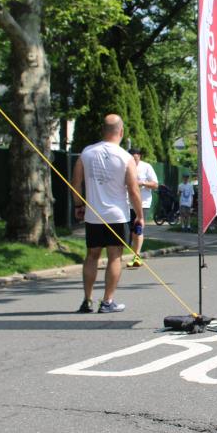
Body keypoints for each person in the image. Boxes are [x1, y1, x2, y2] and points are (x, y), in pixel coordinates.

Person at [70, 114, 142, 313]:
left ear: (103, 130)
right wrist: (139, 215)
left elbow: (75, 183)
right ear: (121, 131)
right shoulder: (125, 157)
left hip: (93, 214)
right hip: (117, 215)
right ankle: (107, 301)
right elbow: (133, 189)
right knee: (115, 256)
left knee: (92, 255)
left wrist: (78, 205)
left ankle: (87, 300)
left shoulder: (86, 153)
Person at [126, 147, 158, 268]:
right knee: (128, 232)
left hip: (143, 203)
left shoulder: (146, 167)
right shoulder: (125, 166)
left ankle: (137, 256)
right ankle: (131, 252)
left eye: (136, 158)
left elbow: (155, 184)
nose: (134, 161)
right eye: (132, 159)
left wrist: (143, 183)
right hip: (126, 203)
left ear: (139, 156)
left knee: (138, 229)